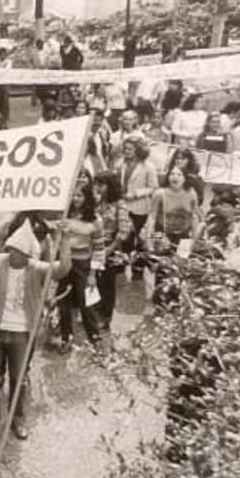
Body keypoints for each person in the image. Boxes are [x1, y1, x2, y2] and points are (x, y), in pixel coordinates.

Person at [0, 221, 71, 445]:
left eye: (18, 252)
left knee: (19, 380)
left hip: (23, 333)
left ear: (28, 254)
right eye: (11, 249)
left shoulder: (36, 267)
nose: (12, 254)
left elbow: (61, 270)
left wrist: (66, 239)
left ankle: (17, 419)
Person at [55, 184, 106, 351]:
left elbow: (99, 249)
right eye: (74, 195)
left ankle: (94, 338)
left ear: (87, 198)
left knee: (87, 304)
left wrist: (92, 274)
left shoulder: (95, 220)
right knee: (62, 303)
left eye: (80, 196)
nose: (76, 199)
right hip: (63, 263)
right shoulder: (63, 216)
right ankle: (66, 337)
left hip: (83, 265)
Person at [92, 171, 133, 334]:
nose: (98, 188)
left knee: (107, 285)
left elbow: (123, 231)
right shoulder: (98, 202)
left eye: (101, 185)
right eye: (97, 185)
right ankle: (95, 313)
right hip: (95, 245)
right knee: (95, 282)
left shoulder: (120, 204)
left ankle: (106, 318)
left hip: (111, 248)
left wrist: (109, 250)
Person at [116, 138, 159, 279]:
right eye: (125, 148)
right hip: (123, 205)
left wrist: (135, 194)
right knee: (125, 236)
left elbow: (153, 187)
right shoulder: (120, 163)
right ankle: (123, 264)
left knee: (139, 237)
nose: (126, 152)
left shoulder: (148, 166)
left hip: (140, 206)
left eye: (130, 149)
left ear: (138, 150)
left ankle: (139, 267)